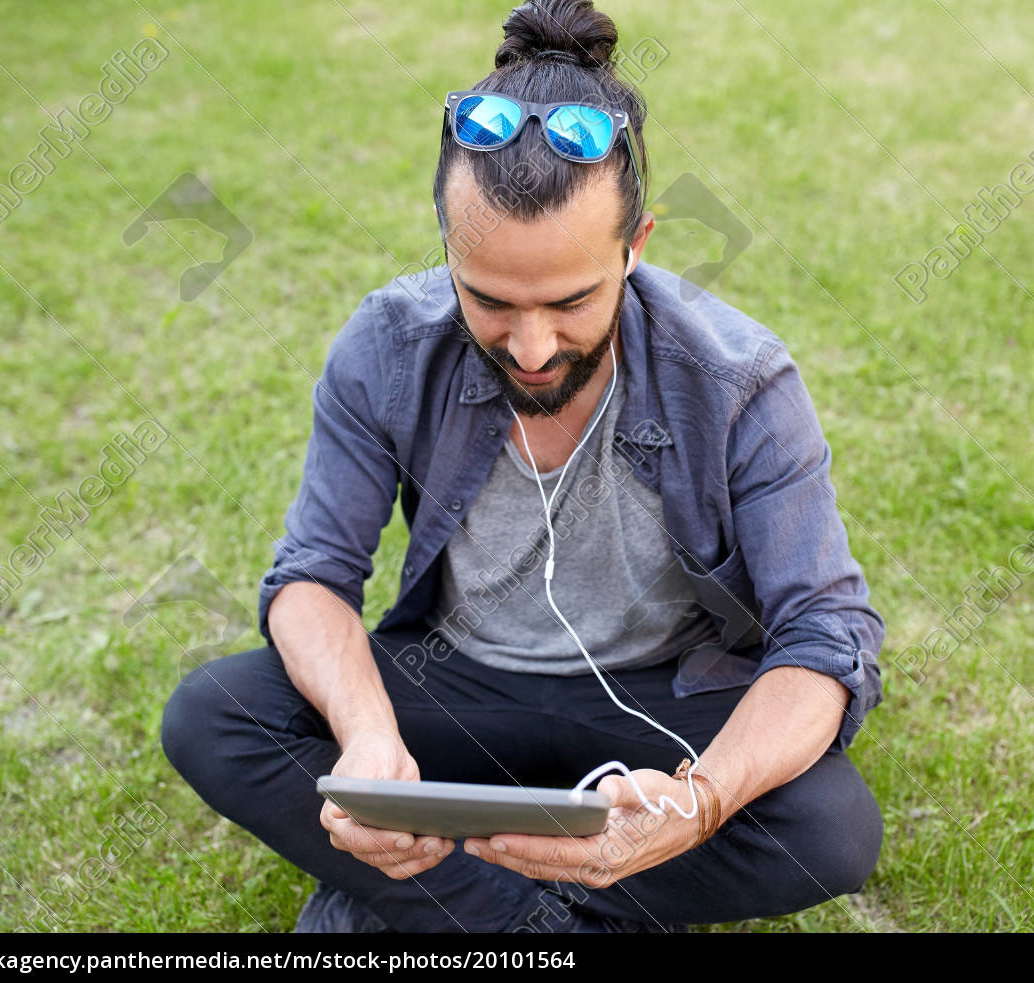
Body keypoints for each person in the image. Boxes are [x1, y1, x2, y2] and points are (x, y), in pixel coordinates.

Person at [162, 0, 885, 933]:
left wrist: (696, 803)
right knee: (216, 713)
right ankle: (539, 921)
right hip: (455, 684)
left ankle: (427, 905)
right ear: (447, 250)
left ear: (637, 246)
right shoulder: (386, 346)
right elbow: (311, 578)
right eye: (490, 299)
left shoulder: (739, 378)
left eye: (572, 299)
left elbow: (825, 636)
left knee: (829, 824)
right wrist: (370, 734)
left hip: (660, 705)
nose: (533, 346)